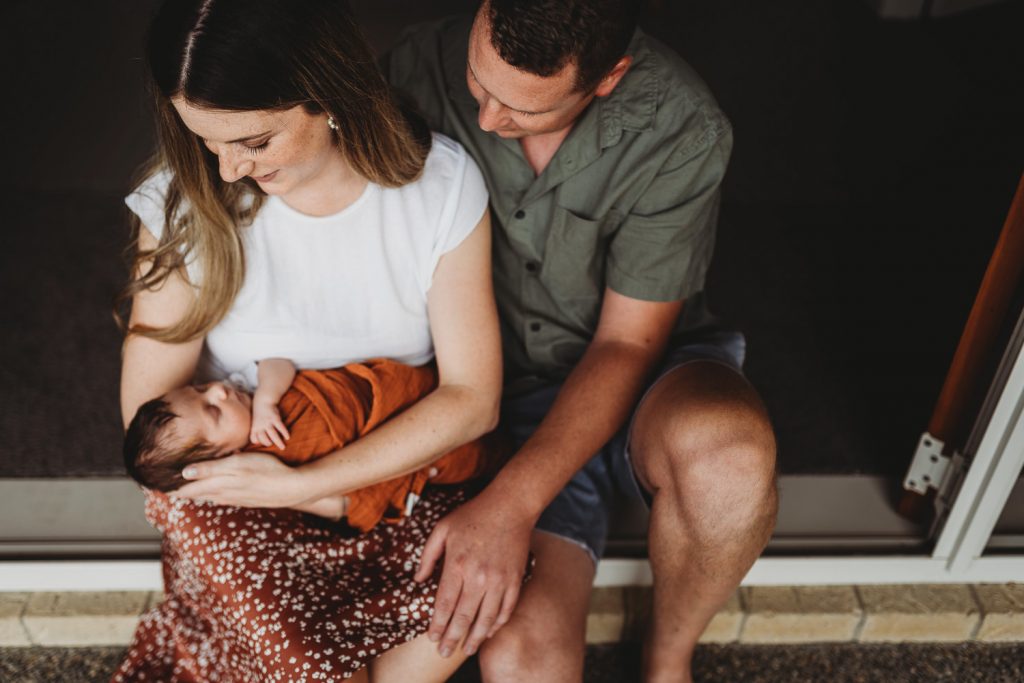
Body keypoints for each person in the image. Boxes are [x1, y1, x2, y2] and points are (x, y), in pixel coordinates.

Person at [384, 1, 779, 680]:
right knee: (520, 661)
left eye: (525, 112)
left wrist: (508, 505)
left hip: (639, 364)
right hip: (484, 379)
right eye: (480, 85)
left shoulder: (684, 127)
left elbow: (626, 344)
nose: (487, 120)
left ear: (608, 78)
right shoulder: (413, 67)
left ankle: (668, 653)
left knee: (728, 458)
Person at [114, 0, 503, 680]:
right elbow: (149, 413)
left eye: (254, 142)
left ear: (327, 95)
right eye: (208, 143)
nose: (228, 170)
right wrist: (249, 479)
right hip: (236, 485)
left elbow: (473, 399)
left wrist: (310, 485)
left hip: (386, 466)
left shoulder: (439, 189)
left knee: (469, 591)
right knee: (310, 664)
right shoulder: (185, 201)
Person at [123, 357, 491, 532]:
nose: (219, 390)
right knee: (470, 459)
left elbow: (275, 363)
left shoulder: (251, 397)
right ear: (224, 458)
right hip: (385, 455)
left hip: (387, 400)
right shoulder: (258, 461)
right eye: (212, 411)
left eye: (201, 389)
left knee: (453, 427)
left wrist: (268, 398)